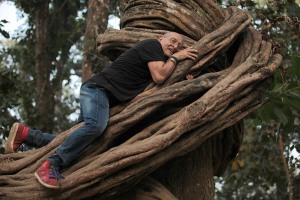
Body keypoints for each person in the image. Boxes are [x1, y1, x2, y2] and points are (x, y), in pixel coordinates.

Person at [4, 32, 198, 189]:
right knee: (96, 126)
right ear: (160, 39)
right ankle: (51, 164)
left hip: (103, 98)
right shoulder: (152, 45)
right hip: (98, 90)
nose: (175, 46)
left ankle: (27, 135)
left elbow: (159, 82)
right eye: (173, 41)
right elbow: (159, 77)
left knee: (79, 140)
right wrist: (176, 58)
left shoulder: (155, 59)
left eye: (179, 46)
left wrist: (182, 77)